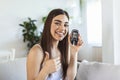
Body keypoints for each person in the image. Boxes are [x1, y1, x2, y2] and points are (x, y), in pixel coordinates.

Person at [26, 8, 83, 80]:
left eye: (65, 25)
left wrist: (74, 52)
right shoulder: (37, 51)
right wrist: (45, 71)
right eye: (57, 23)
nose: (62, 28)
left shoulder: (65, 49)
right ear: (48, 25)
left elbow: (70, 77)